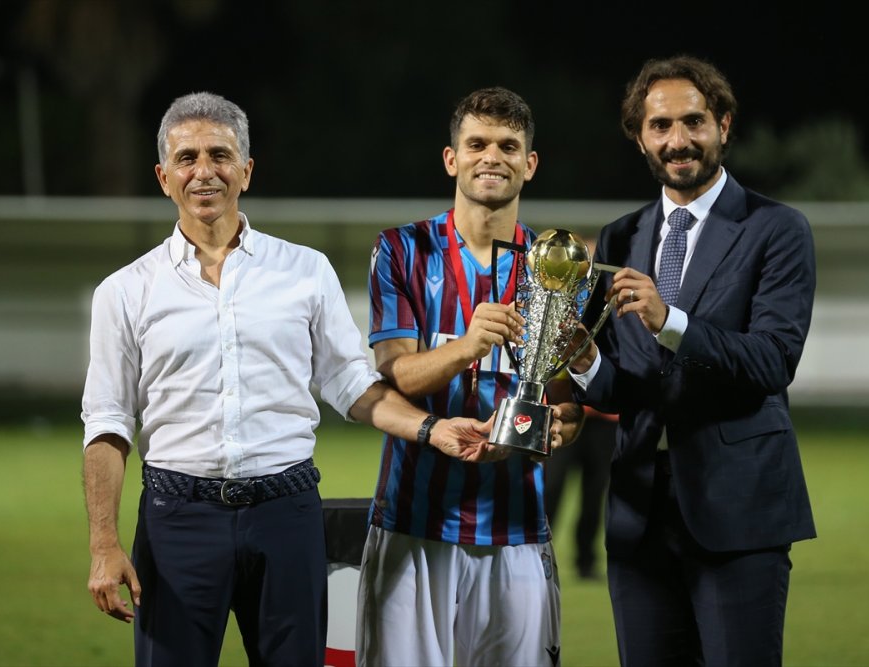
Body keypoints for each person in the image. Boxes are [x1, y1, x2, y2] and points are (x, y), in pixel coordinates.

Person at [81, 91, 498, 667]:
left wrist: (431, 430)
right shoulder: (125, 291)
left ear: (246, 171)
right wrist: (104, 545)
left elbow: (351, 384)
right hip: (179, 521)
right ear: (163, 176)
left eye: (221, 155)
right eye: (187, 158)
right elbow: (106, 423)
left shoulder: (304, 270)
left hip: (286, 512)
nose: (205, 172)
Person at [567, 55, 817, 666]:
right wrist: (579, 360)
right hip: (637, 513)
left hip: (737, 510)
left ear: (724, 126)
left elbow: (772, 361)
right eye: (660, 126)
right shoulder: (621, 235)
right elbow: (624, 388)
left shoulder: (777, 229)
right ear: (639, 136)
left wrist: (670, 321)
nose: (677, 141)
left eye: (693, 122)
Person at [355, 86, 584, 667]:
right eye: (476, 143)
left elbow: (565, 399)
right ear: (451, 159)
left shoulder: (556, 264)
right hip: (414, 522)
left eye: (509, 146)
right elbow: (396, 374)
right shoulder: (402, 250)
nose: (492, 156)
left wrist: (565, 425)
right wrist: (467, 346)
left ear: (529, 164)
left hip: (518, 527)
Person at [543, 405, 617, 580]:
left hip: (604, 418)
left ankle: (586, 561)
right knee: (552, 486)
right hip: (567, 414)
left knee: (594, 493)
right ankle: (539, 551)